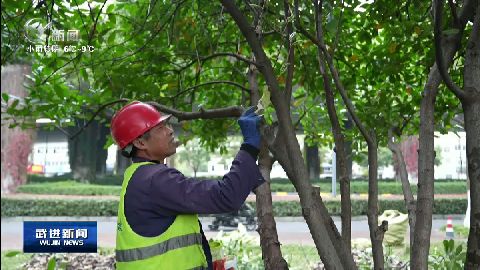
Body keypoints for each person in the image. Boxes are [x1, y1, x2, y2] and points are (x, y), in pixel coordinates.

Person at [110, 101, 265, 269]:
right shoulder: (156, 180)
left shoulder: (136, 176)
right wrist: (249, 147)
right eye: (160, 128)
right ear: (140, 143)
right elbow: (225, 196)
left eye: (167, 124)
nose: (170, 130)